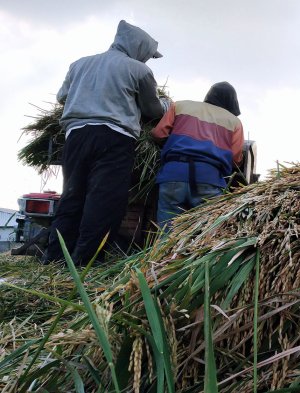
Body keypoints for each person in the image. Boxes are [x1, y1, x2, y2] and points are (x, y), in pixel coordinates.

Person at [43, 20, 167, 265]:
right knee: (104, 200)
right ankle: (85, 262)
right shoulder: (138, 70)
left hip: (76, 137)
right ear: (139, 48)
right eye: (148, 55)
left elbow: (61, 97)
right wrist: (166, 104)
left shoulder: (79, 64)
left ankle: (55, 259)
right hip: (114, 138)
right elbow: (152, 109)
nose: (148, 60)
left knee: (72, 196)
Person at [151, 82, 244, 231]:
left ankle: (165, 254)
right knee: (204, 237)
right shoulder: (234, 122)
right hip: (209, 180)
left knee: (166, 235)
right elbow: (236, 159)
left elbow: (158, 134)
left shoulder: (180, 106)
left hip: (174, 175)